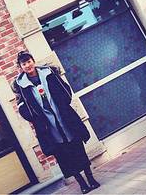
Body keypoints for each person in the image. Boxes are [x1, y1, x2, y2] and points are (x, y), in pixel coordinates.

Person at [12, 51, 100, 193]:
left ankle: (91, 179)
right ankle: (82, 184)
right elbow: (22, 107)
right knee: (65, 156)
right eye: (24, 64)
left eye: (29, 61)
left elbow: (65, 89)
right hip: (48, 127)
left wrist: (63, 104)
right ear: (21, 67)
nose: (27, 65)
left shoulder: (48, 73)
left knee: (79, 149)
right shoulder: (20, 85)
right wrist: (35, 117)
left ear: (33, 61)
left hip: (65, 118)